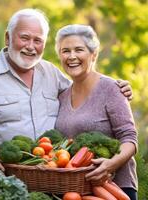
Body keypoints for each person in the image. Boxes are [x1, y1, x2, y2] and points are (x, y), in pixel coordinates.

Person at [0, 9, 132, 172]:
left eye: (38, 40)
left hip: (48, 183)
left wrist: (115, 87)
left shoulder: (51, 73)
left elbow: (85, 90)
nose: (31, 47)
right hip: (0, 183)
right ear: (8, 38)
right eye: (24, 38)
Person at [54, 24, 138, 200]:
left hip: (114, 188)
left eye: (79, 50)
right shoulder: (62, 95)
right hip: (75, 191)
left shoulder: (111, 89)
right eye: (65, 51)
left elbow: (129, 138)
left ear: (93, 54)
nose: (72, 56)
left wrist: (111, 165)